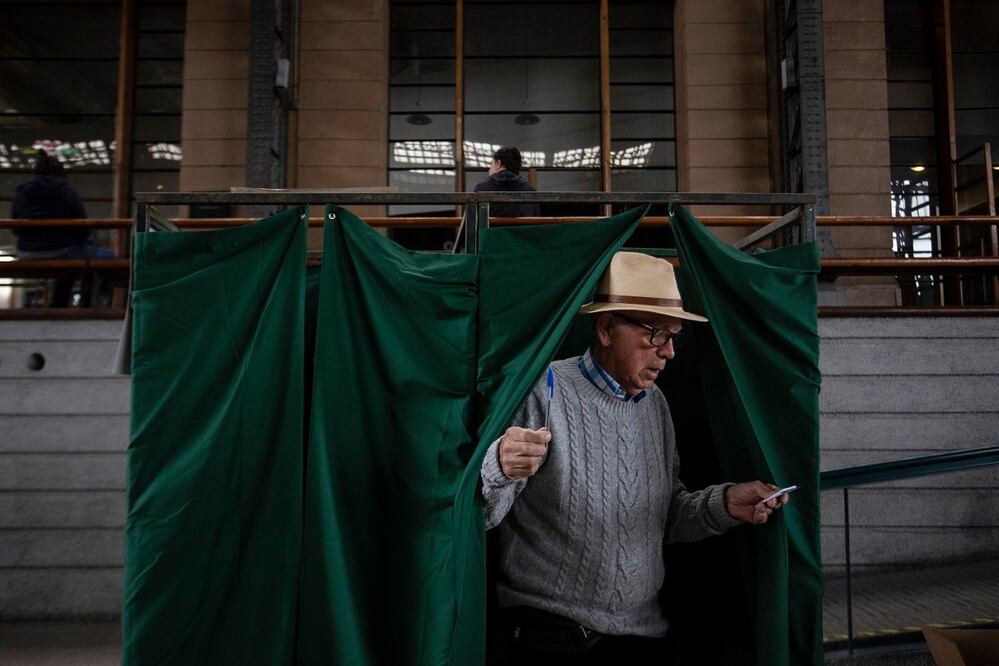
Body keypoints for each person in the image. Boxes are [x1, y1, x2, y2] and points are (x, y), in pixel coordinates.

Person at [480, 251, 790, 665]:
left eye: (674, 337)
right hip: (553, 640)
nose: (669, 352)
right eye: (656, 334)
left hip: (642, 638)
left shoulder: (655, 404)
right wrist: (498, 464)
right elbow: (483, 516)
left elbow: (666, 519)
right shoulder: (546, 389)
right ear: (607, 328)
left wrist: (727, 502)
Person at [11, 153, 114, 307]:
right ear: (60, 171)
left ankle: (59, 303)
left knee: (72, 256)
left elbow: (15, 227)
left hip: (26, 252)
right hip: (62, 250)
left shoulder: (22, 192)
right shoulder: (66, 190)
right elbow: (83, 227)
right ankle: (85, 305)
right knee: (108, 257)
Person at [474, 146, 541, 217]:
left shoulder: (482, 189)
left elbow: (472, 221)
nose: (489, 170)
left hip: (490, 228)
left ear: (498, 163)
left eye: (491, 164)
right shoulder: (529, 190)